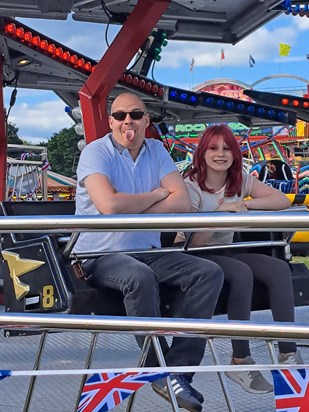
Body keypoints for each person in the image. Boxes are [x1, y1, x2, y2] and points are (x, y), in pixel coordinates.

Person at [72, 93, 224, 412]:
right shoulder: (95, 152)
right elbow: (109, 206)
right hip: (101, 253)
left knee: (208, 272)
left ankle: (178, 369)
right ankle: (159, 371)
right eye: (121, 115)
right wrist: (156, 195)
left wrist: (133, 204)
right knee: (138, 276)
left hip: (146, 249)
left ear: (146, 121)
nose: (128, 120)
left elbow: (181, 201)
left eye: (136, 114)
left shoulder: (156, 150)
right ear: (111, 121)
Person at [175, 124, 303, 395]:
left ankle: (288, 355)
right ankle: (240, 359)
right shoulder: (191, 186)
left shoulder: (238, 180)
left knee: (279, 269)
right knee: (241, 272)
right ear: (202, 153)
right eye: (213, 148)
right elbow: (193, 242)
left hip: (225, 250)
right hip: (196, 255)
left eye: (226, 149)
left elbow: (280, 199)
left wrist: (245, 204)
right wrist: (221, 212)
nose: (220, 154)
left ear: (235, 154)